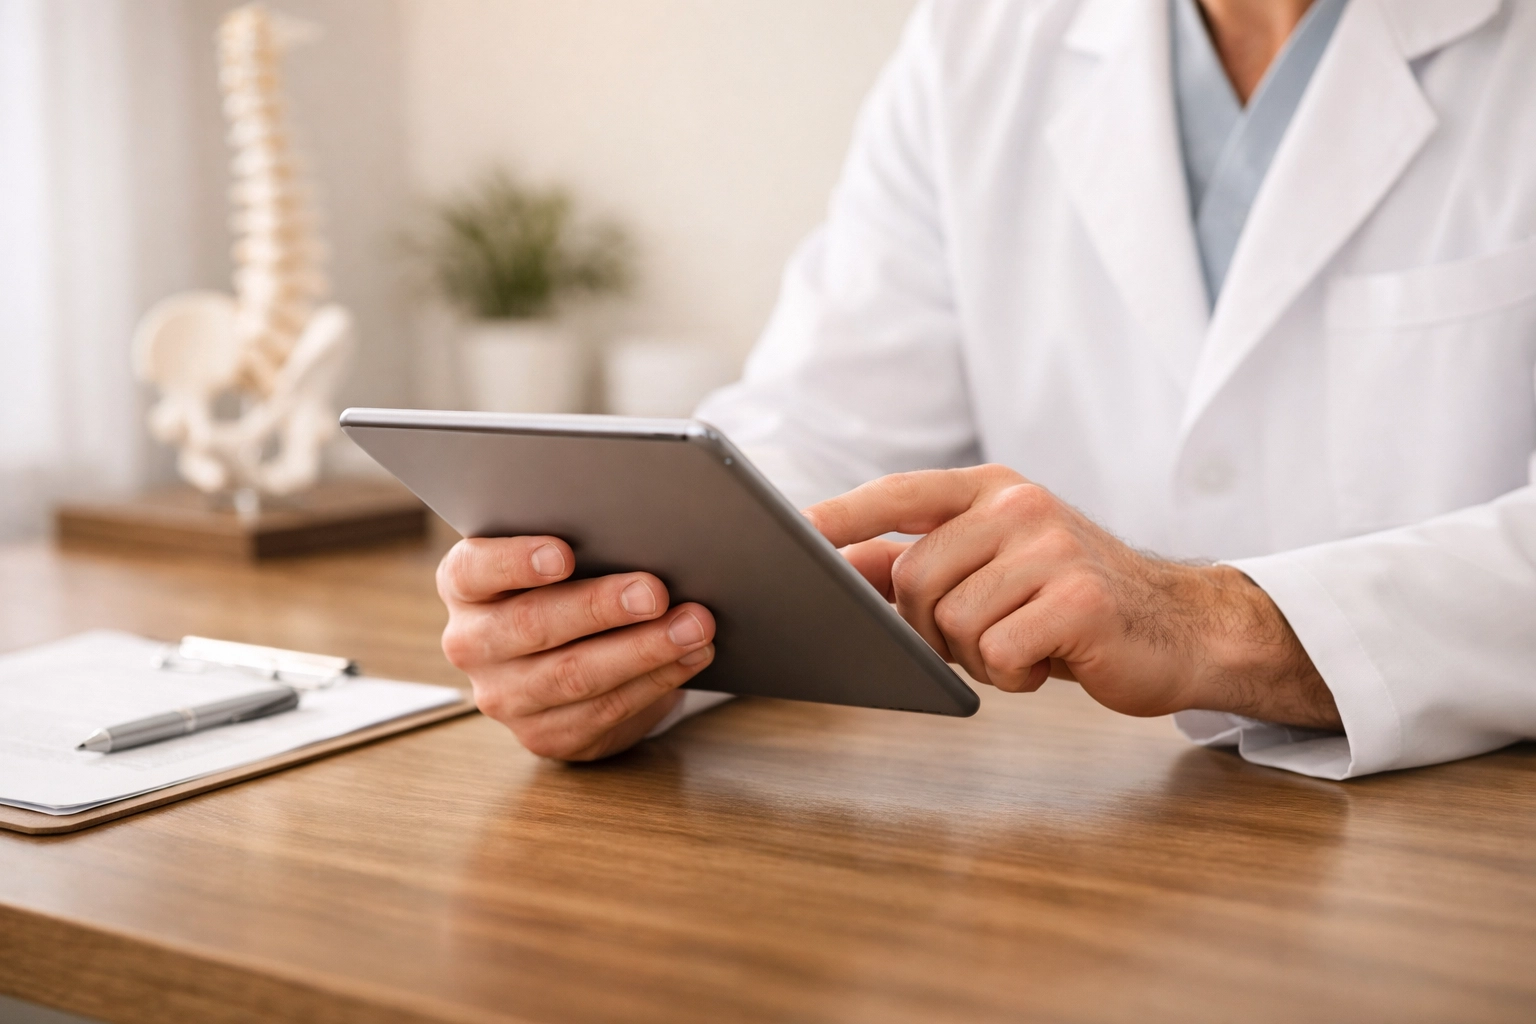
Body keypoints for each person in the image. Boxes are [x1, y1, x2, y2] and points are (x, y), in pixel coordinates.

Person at [436, 0, 1536, 779]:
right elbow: (822, 430)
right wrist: (626, 625)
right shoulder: (979, 37)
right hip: (1106, 847)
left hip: (1460, 854)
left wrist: (1215, 623)